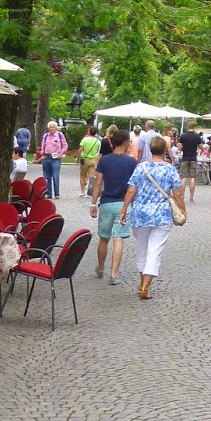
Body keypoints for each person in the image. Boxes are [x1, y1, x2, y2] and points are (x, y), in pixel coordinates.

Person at [118, 134, 185, 300]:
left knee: (142, 249)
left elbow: (131, 190)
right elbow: (177, 193)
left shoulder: (141, 167)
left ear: (150, 149)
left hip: (140, 214)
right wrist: (183, 210)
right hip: (162, 215)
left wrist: (124, 209)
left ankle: (142, 283)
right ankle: (144, 287)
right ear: (164, 150)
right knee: (155, 251)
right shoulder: (169, 169)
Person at [89, 127, 135, 285]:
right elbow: (134, 187)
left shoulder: (104, 160)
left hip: (107, 202)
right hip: (123, 204)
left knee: (104, 238)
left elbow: (98, 183)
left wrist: (93, 204)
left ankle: (101, 268)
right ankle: (114, 274)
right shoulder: (132, 162)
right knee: (118, 238)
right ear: (125, 142)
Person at [38, 119, 68, 200]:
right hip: (46, 157)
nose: (51, 129)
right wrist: (42, 153)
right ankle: (49, 193)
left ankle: (57, 193)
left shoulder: (60, 135)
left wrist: (60, 154)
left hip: (56, 158)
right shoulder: (46, 136)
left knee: (55, 176)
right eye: (50, 127)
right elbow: (42, 146)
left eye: (53, 127)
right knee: (47, 177)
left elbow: (65, 146)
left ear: (56, 128)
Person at [178, 123, 203, 198]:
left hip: (185, 158)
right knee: (192, 178)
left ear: (187, 127)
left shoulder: (183, 136)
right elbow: (201, 147)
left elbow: (179, 148)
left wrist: (184, 147)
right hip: (193, 158)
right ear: (194, 127)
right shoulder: (197, 136)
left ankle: (182, 195)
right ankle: (191, 197)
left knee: (184, 177)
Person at [77, 124, 101, 197]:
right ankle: (89, 192)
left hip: (84, 159)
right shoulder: (98, 141)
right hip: (93, 159)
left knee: (82, 175)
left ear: (89, 132)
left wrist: (78, 159)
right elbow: (98, 151)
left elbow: (80, 150)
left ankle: (82, 191)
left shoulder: (85, 140)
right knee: (91, 176)